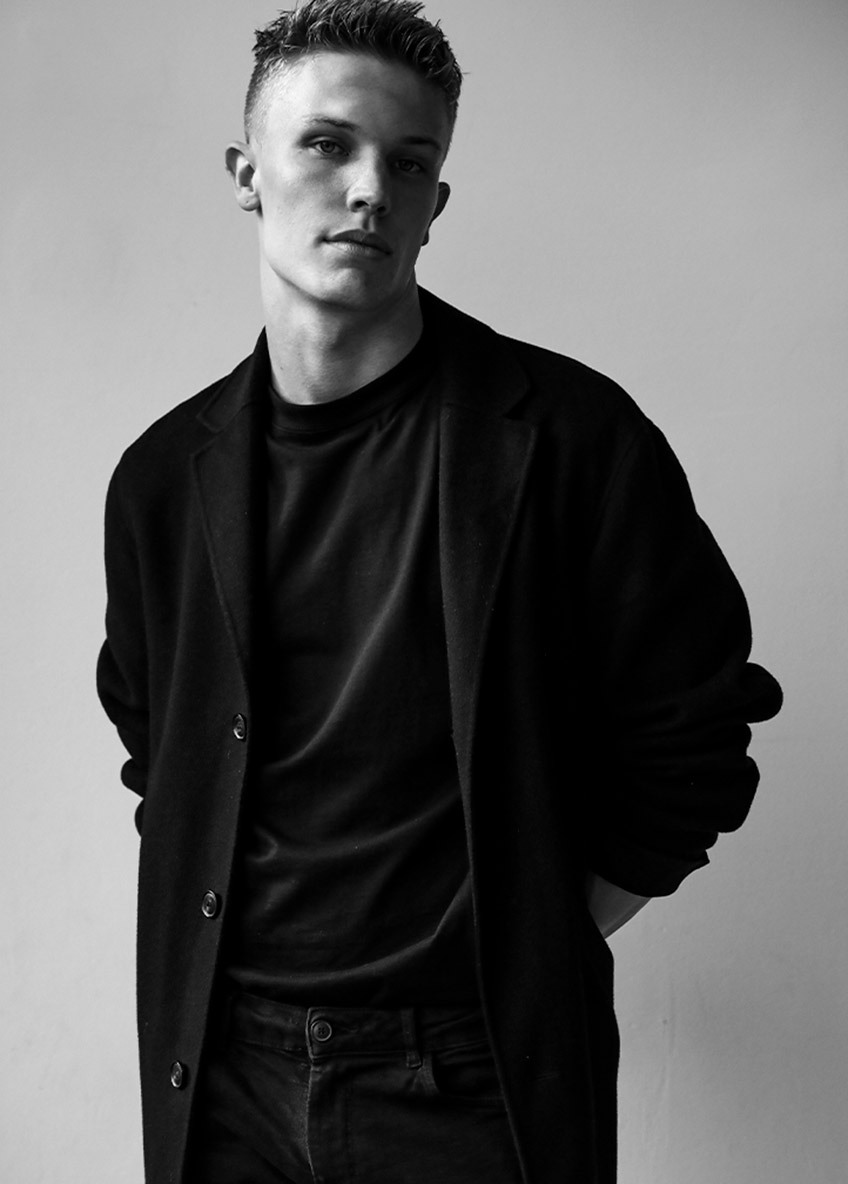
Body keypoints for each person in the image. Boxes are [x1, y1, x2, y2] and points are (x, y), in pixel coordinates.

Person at [96, 2, 782, 1181]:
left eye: (408, 163)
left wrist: (537, 927)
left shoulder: (568, 439)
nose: (370, 188)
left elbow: (696, 732)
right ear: (246, 173)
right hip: (224, 1068)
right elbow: (158, 740)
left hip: (467, 1073)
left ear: (436, 202)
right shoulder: (164, 478)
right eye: (327, 145)